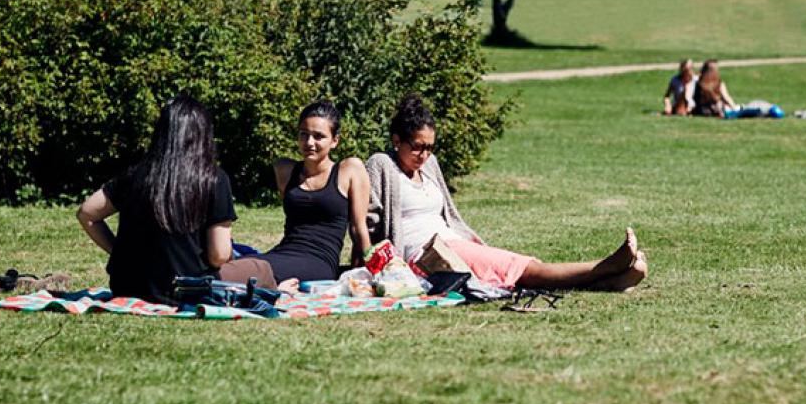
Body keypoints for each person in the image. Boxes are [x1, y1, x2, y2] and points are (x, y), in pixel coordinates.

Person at [365, 94, 646, 291]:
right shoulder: (382, 165)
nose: (424, 154)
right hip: (425, 255)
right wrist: (374, 266)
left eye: (429, 147)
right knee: (524, 270)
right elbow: (367, 221)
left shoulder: (430, 166)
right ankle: (605, 266)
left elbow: (449, 214)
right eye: (416, 146)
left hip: (452, 244)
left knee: (520, 270)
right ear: (396, 140)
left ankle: (611, 281)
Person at [76, 96, 237, 305]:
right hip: (188, 292)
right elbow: (219, 255)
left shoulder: (136, 175)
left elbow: (87, 213)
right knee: (259, 270)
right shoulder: (213, 179)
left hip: (128, 288)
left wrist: (119, 251)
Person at [218, 101, 370, 290]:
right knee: (230, 264)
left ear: (335, 140)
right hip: (282, 253)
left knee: (240, 272)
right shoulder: (285, 170)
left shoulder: (349, 169)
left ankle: (266, 287)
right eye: (304, 134)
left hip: (318, 261)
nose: (309, 143)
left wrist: (369, 274)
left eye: (318, 136)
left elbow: (359, 229)